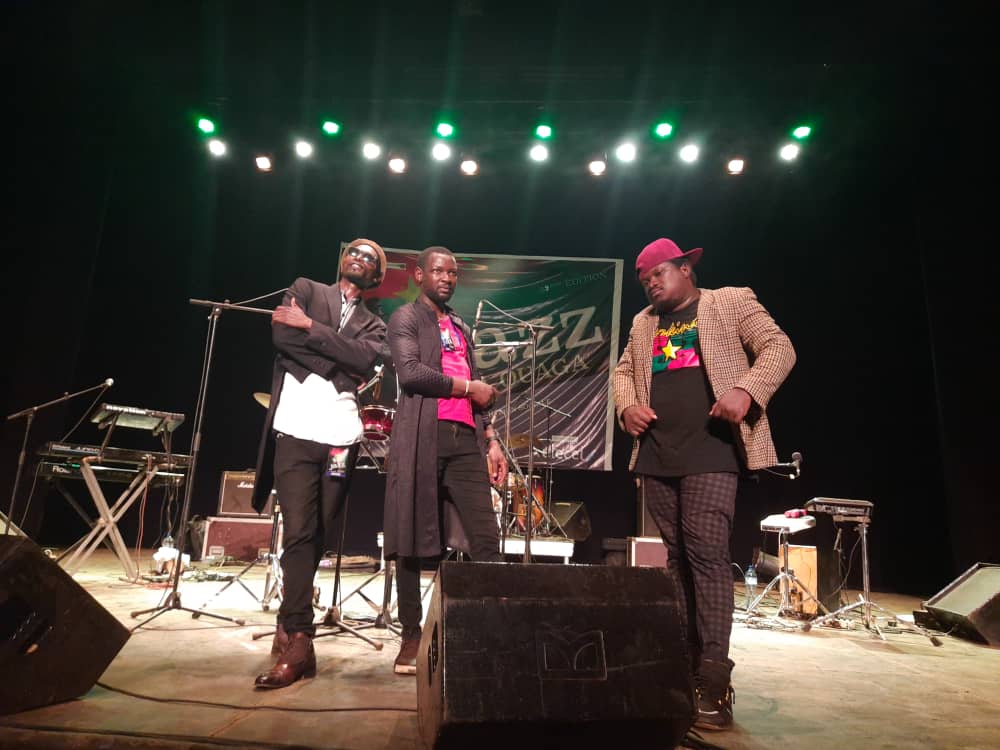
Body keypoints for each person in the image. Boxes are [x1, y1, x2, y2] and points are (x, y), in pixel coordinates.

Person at [613, 237, 795, 730]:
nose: (652, 285)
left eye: (659, 274)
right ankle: (685, 664)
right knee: (676, 560)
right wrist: (626, 407)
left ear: (685, 270)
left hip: (713, 451)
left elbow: (780, 347)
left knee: (707, 556)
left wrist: (747, 390)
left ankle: (714, 678)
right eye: (645, 281)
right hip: (657, 454)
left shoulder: (729, 301)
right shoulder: (643, 323)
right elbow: (624, 372)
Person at [251, 238, 388, 690]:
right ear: (342, 260)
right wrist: (336, 364)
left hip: (341, 436)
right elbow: (282, 337)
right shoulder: (306, 289)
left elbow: (364, 358)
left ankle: (289, 624)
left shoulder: (375, 323)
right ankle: (300, 635)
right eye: (355, 252)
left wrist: (310, 327)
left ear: (376, 276)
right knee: (299, 530)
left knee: (319, 532)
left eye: (370, 258)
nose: (360, 259)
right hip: (295, 428)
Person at [383, 245, 508, 675]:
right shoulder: (406, 318)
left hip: (466, 440)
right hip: (423, 437)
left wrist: (491, 438)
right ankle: (411, 634)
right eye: (438, 271)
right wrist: (469, 387)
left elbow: (476, 392)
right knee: (409, 539)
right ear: (420, 275)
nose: (447, 278)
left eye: (453, 273)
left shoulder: (459, 326)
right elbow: (411, 373)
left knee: (486, 539)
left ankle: (495, 630)